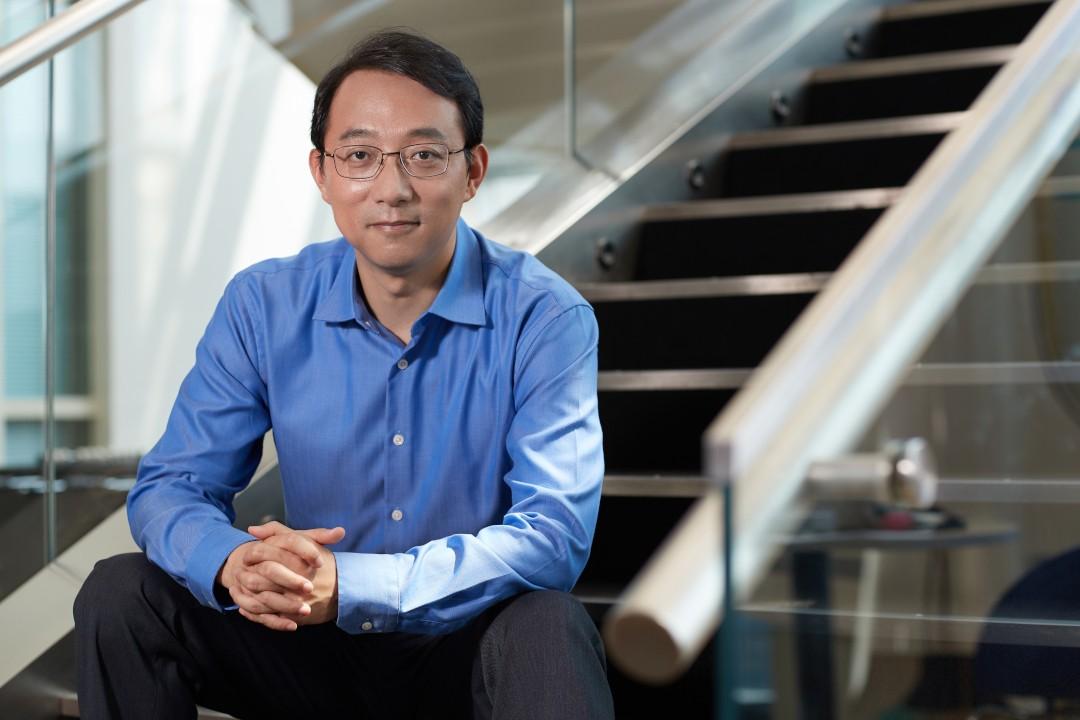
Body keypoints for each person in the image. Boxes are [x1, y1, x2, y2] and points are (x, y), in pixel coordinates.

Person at [74, 29, 613, 720]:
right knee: (122, 593)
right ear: (322, 173)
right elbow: (171, 485)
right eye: (360, 156)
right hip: (307, 645)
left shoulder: (545, 316)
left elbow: (552, 535)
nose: (392, 188)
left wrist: (355, 584)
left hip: (465, 652)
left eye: (424, 155)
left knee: (550, 624)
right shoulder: (264, 304)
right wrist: (233, 563)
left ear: (473, 171)